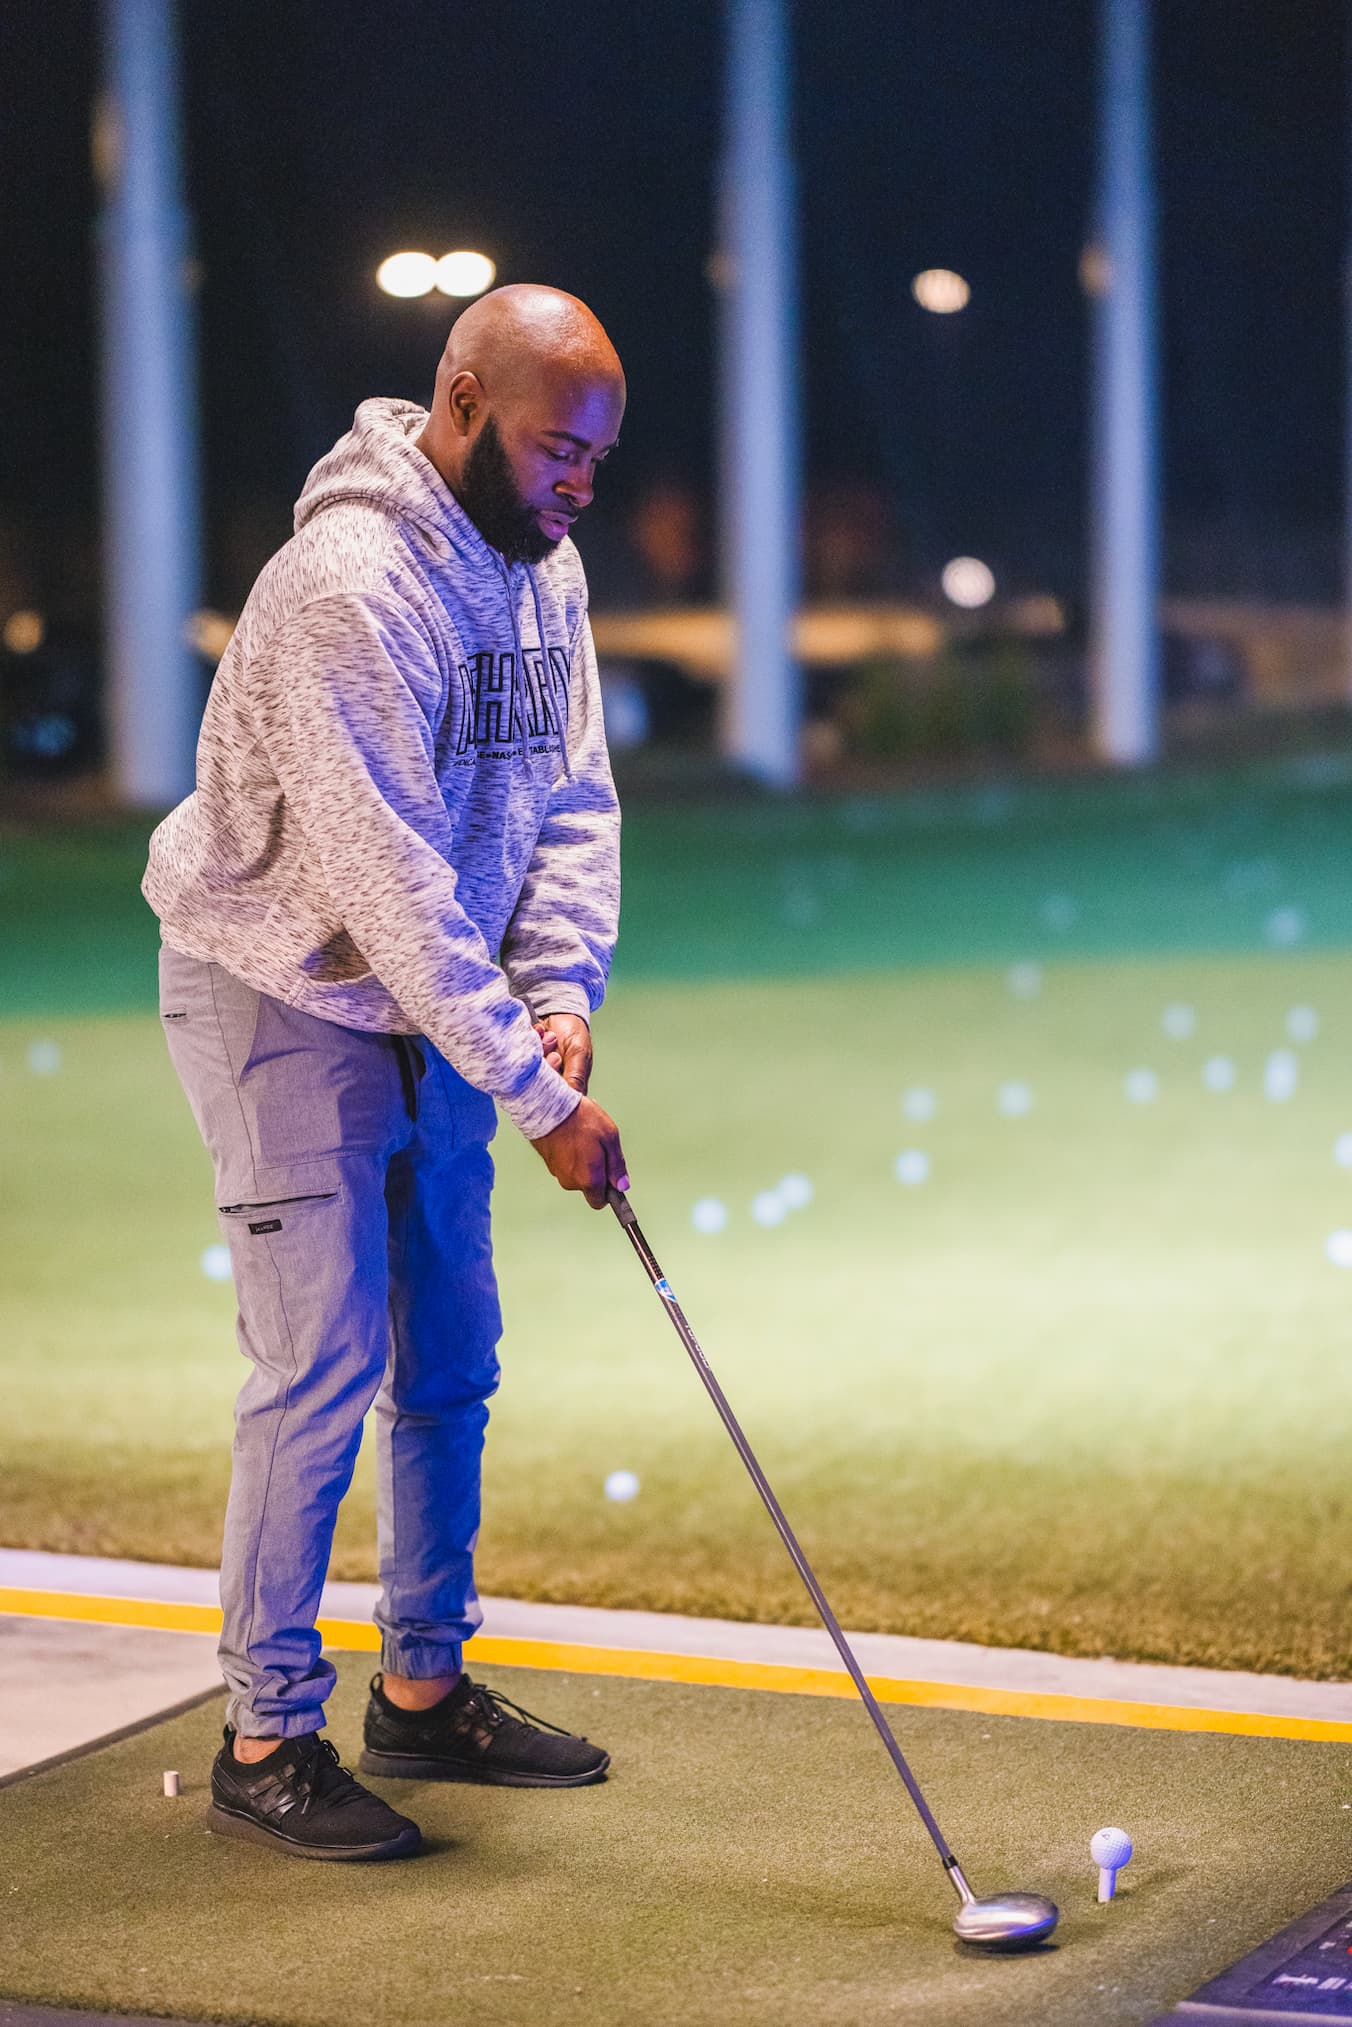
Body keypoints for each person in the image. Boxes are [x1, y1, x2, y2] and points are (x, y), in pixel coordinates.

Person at [143, 284, 630, 1861]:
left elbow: (569, 804)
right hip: (279, 986)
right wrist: (543, 1103)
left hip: (435, 999)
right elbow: (393, 880)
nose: (578, 485)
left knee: (454, 1352)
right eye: (559, 450)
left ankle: (421, 1689)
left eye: (598, 463)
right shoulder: (348, 583)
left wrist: (557, 997)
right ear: (466, 402)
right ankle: (264, 1728)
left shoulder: (547, 571)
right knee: (326, 1358)